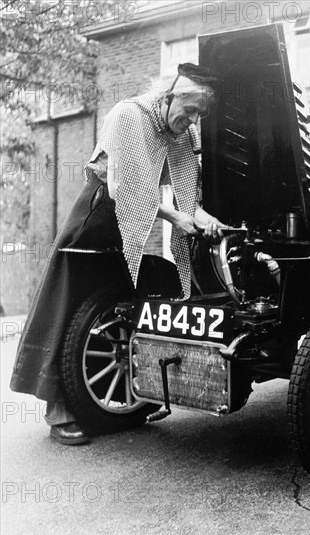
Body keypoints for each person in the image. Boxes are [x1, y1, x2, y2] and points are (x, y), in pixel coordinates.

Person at [10, 63, 226, 445]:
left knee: (118, 308)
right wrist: (176, 216)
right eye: (189, 110)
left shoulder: (179, 133)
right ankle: (57, 409)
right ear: (169, 96)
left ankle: (132, 394)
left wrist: (204, 217)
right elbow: (120, 187)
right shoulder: (128, 115)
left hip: (134, 223)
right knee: (71, 310)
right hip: (97, 217)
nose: (192, 121)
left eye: (199, 115)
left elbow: (187, 193)